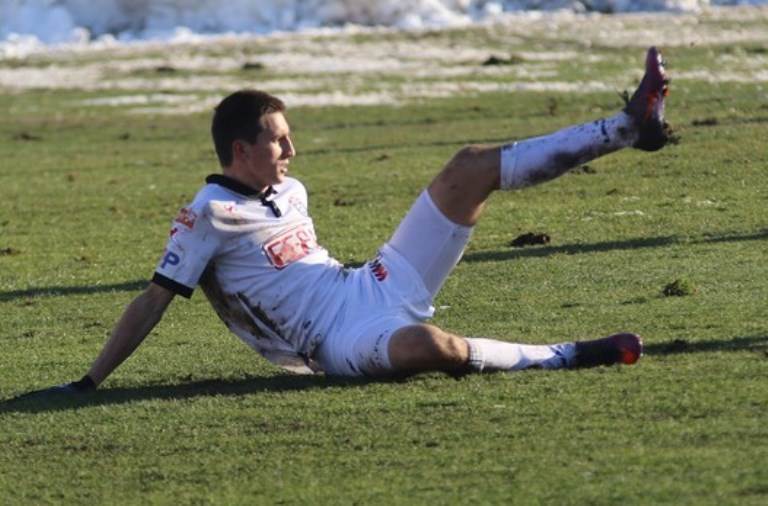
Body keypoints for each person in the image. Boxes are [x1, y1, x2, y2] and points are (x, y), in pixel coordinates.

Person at [21, 47, 669, 398]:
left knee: (468, 167)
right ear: (240, 151)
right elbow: (152, 302)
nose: (293, 152)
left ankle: (627, 127)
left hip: (370, 285)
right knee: (427, 347)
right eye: (279, 141)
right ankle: (569, 357)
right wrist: (87, 382)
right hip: (334, 344)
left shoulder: (290, 188)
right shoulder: (206, 215)